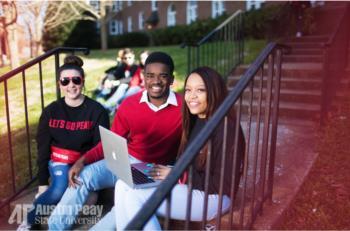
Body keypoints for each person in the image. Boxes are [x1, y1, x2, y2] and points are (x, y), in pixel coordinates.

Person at [47, 51, 182, 230]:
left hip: (152, 170)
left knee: (126, 202)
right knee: (84, 175)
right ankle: (55, 227)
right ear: (144, 77)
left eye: (162, 76)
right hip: (124, 161)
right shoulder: (129, 104)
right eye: (150, 76)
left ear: (171, 79)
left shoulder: (183, 108)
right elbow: (111, 142)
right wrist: (82, 161)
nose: (156, 81)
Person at [114, 66, 245, 230]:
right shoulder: (195, 119)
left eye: (200, 90)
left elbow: (221, 185)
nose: (192, 96)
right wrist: (170, 171)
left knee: (135, 196)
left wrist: (176, 175)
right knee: (123, 182)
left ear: (214, 92)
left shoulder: (227, 128)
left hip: (214, 197)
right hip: (186, 179)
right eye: (188, 90)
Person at [18, 55, 110, 230]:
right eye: (65, 81)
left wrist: (82, 166)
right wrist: (43, 184)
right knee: (59, 190)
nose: (71, 85)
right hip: (59, 161)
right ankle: (29, 220)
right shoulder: (51, 111)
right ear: (60, 84)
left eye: (76, 80)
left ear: (82, 81)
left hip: (84, 163)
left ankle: (55, 205)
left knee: (90, 202)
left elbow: (100, 147)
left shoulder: (97, 111)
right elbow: (43, 148)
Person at [99, 48, 143, 113]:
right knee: (113, 84)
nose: (127, 60)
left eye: (129, 57)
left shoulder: (136, 66)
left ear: (133, 56)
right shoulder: (124, 66)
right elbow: (115, 74)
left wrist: (117, 82)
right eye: (125, 58)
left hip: (134, 87)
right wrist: (108, 80)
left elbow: (130, 79)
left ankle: (107, 106)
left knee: (123, 86)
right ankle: (103, 99)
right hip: (123, 87)